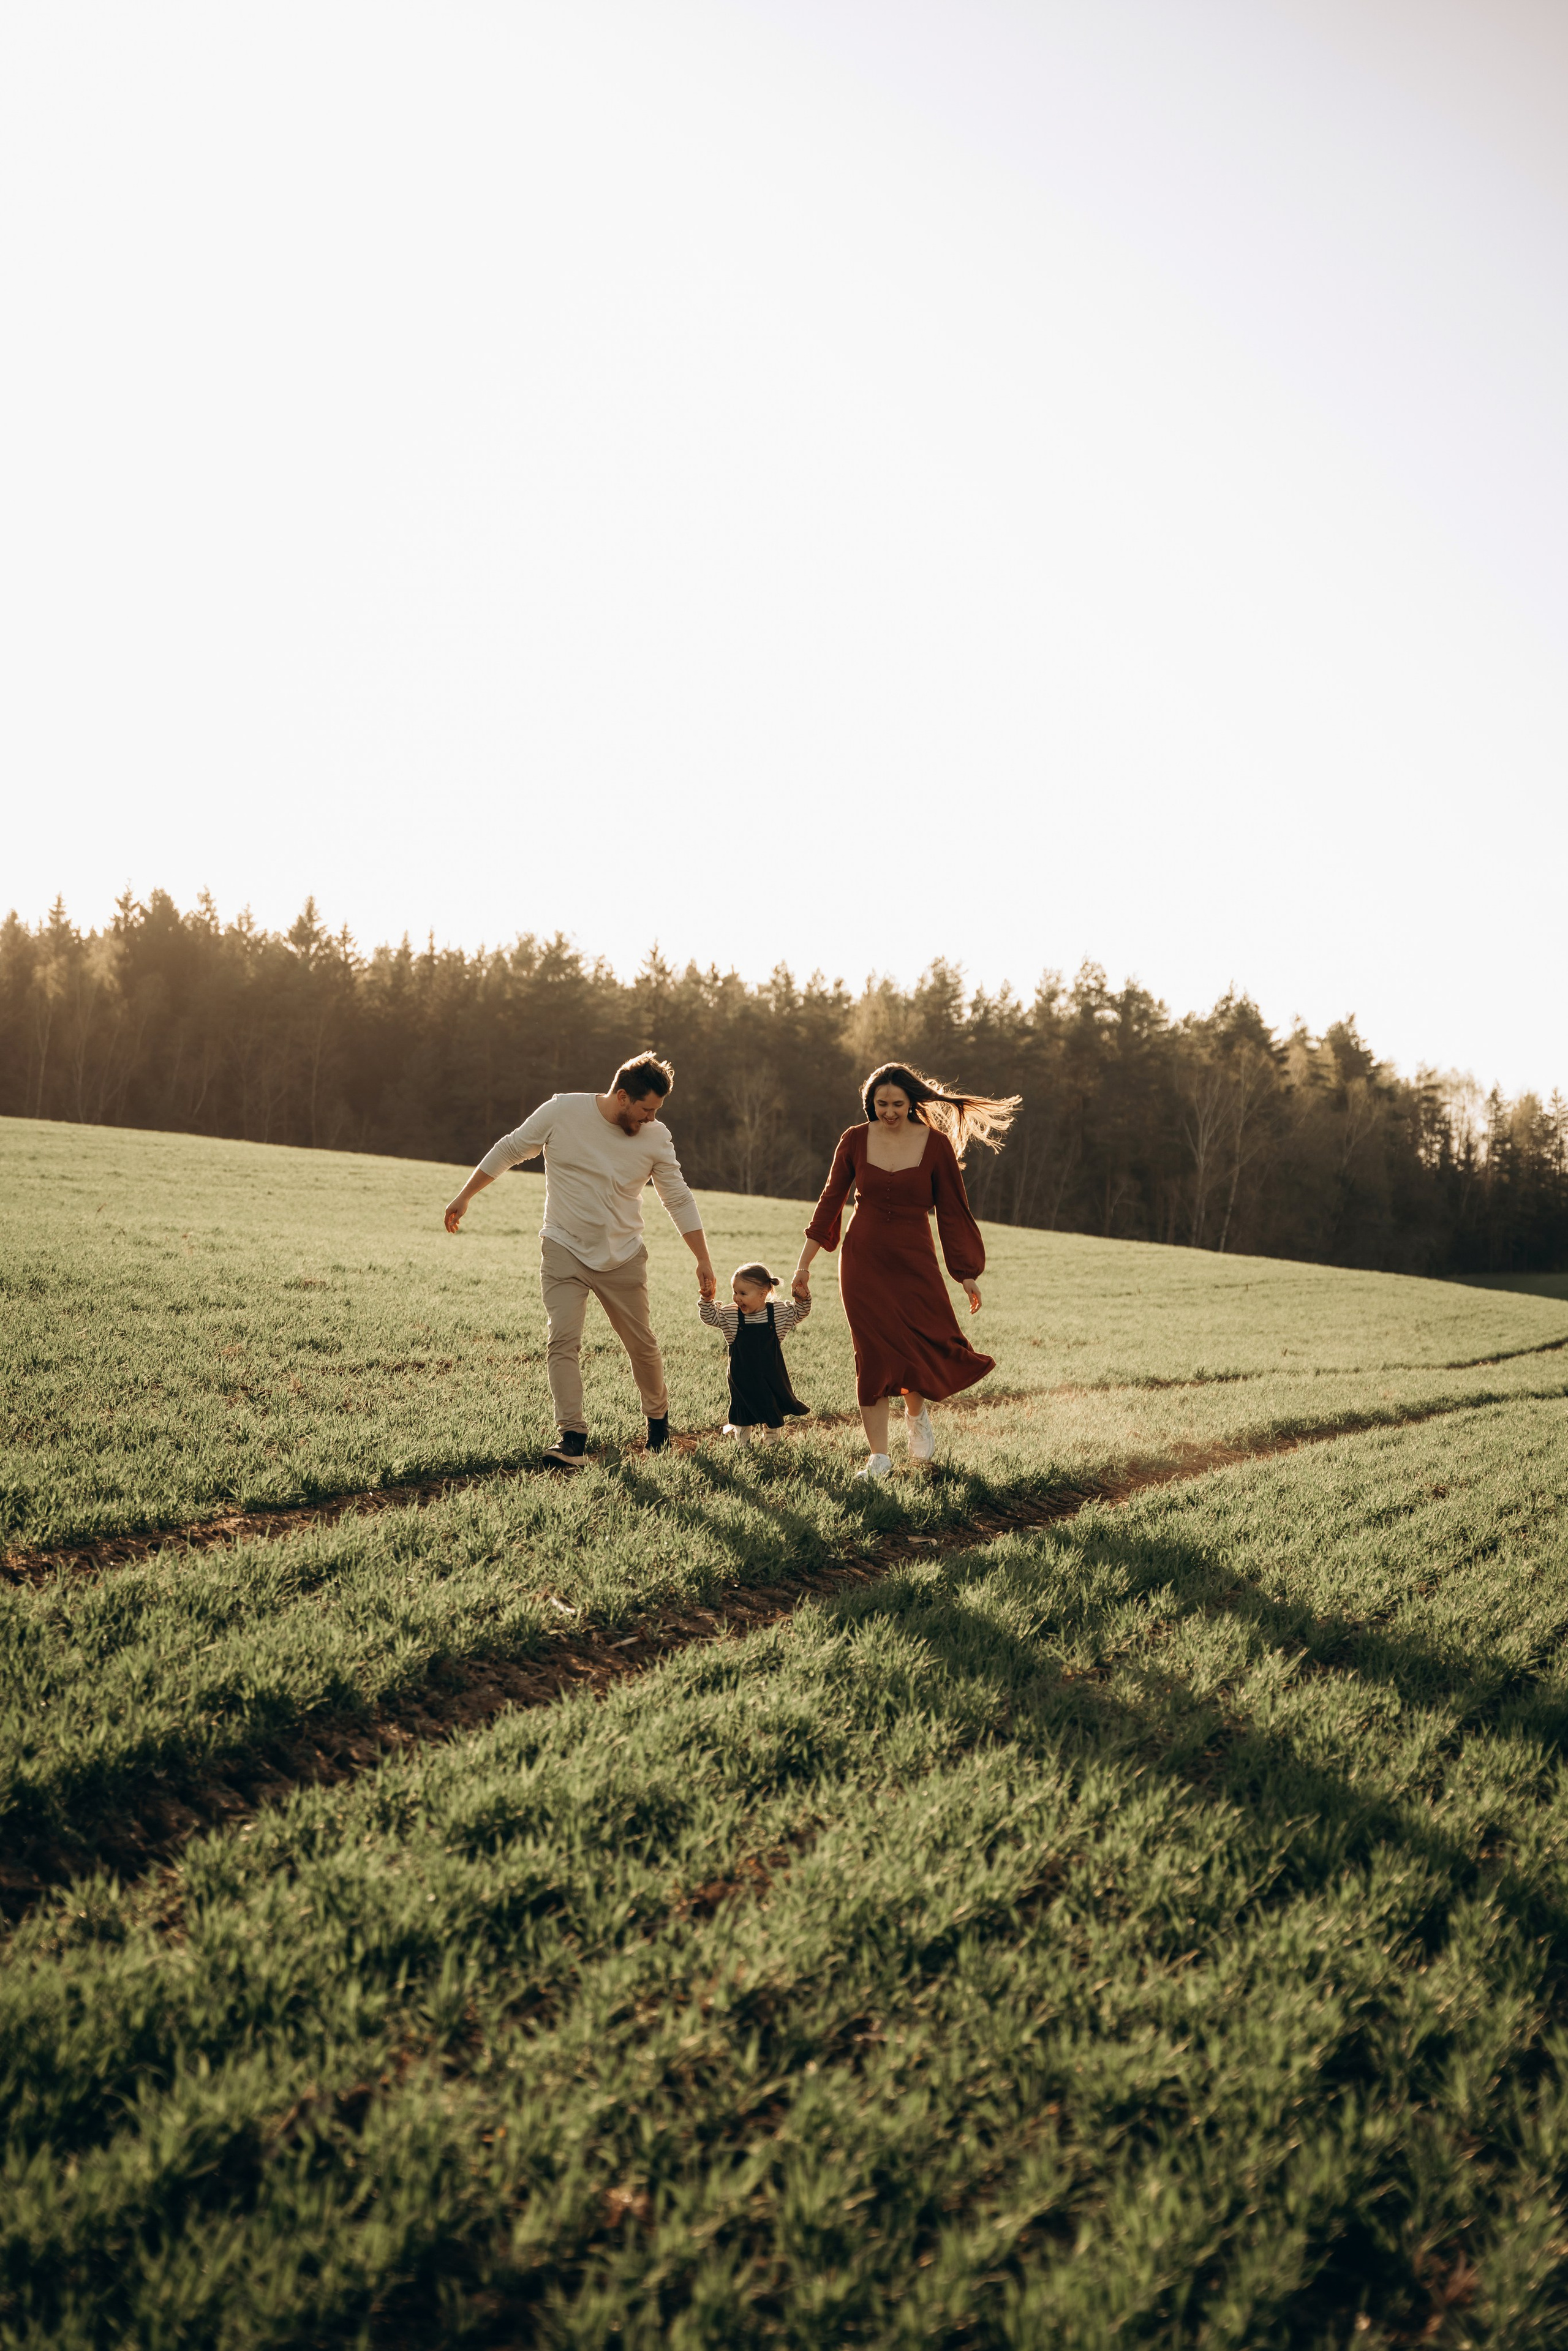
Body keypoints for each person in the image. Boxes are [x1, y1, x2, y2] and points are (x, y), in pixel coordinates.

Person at [443, 1054, 717, 1468]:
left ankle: (658, 1424)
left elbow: (677, 1197)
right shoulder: (563, 1111)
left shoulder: (656, 1136)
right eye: (646, 1109)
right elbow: (512, 1148)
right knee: (562, 1341)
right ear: (622, 1097)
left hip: (623, 1255)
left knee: (641, 1345)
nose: (651, 1118)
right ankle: (572, 1437)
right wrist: (465, 1195)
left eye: (657, 1111)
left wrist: (702, 1258)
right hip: (563, 1247)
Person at [792, 1062, 1019, 1479]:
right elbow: (830, 1202)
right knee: (872, 1353)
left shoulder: (936, 1145)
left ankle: (917, 1416)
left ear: (911, 1102)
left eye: (897, 1103)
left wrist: (966, 1273)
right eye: (882, 1104)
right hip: (863, 1259)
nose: (890, 1111)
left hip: (914, 1259)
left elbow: (953, 1210)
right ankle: (878, 1458)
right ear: (871, 1103)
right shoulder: (854, 1140)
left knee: (915, 1341)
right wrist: (804, 1264)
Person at [699, 1261, 811, 1443]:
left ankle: (772, 1435)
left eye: (743, 1293)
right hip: (741, 1376)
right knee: (743, 1407)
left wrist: (802, 1298)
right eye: (735, 1292)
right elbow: (710, 1317)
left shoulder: (777, 1313)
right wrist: (707, 1299)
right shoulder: (732, 1314)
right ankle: (743, 1441)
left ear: (762, 1294)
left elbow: (800, 1312)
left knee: (770, 1403)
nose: (737, 1298)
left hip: (771, 1375)